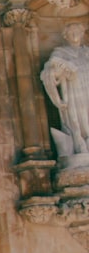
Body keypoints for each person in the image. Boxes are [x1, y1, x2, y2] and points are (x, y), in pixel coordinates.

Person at [41, 22, 89, 157]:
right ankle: (80, 144)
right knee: (78, 118)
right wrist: (61, 69)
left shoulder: (87, 52)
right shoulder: (60, 53)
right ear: (65, 36)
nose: (75, 35)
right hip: (74, 90)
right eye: (71, 32)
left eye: (78, 32)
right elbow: (50, 73)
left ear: (82, 34)